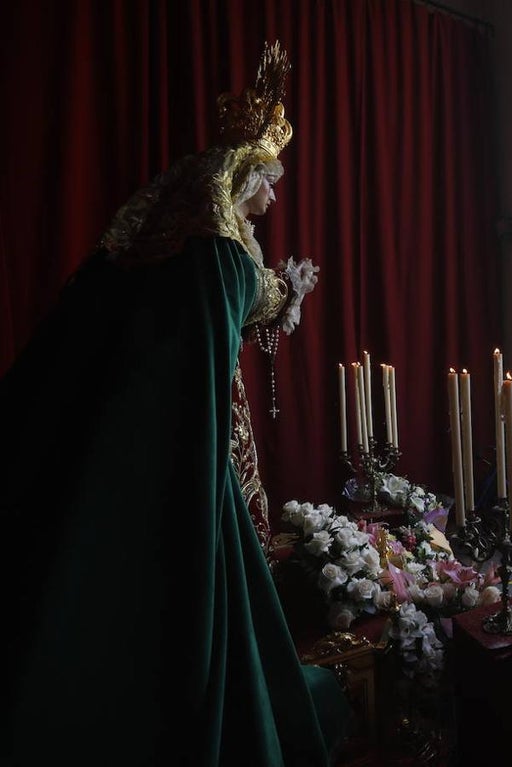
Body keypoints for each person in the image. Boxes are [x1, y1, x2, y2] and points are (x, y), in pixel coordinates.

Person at [0, 43, 348, 765]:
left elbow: (216, 316)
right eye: (269, 181)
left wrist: (278, 295)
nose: (273, 198)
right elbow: (222, 312)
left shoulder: (176, 234)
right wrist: (285, 293)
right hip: (175, 451)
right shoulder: (220, 247)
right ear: (245, 174)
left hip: (126, 432)